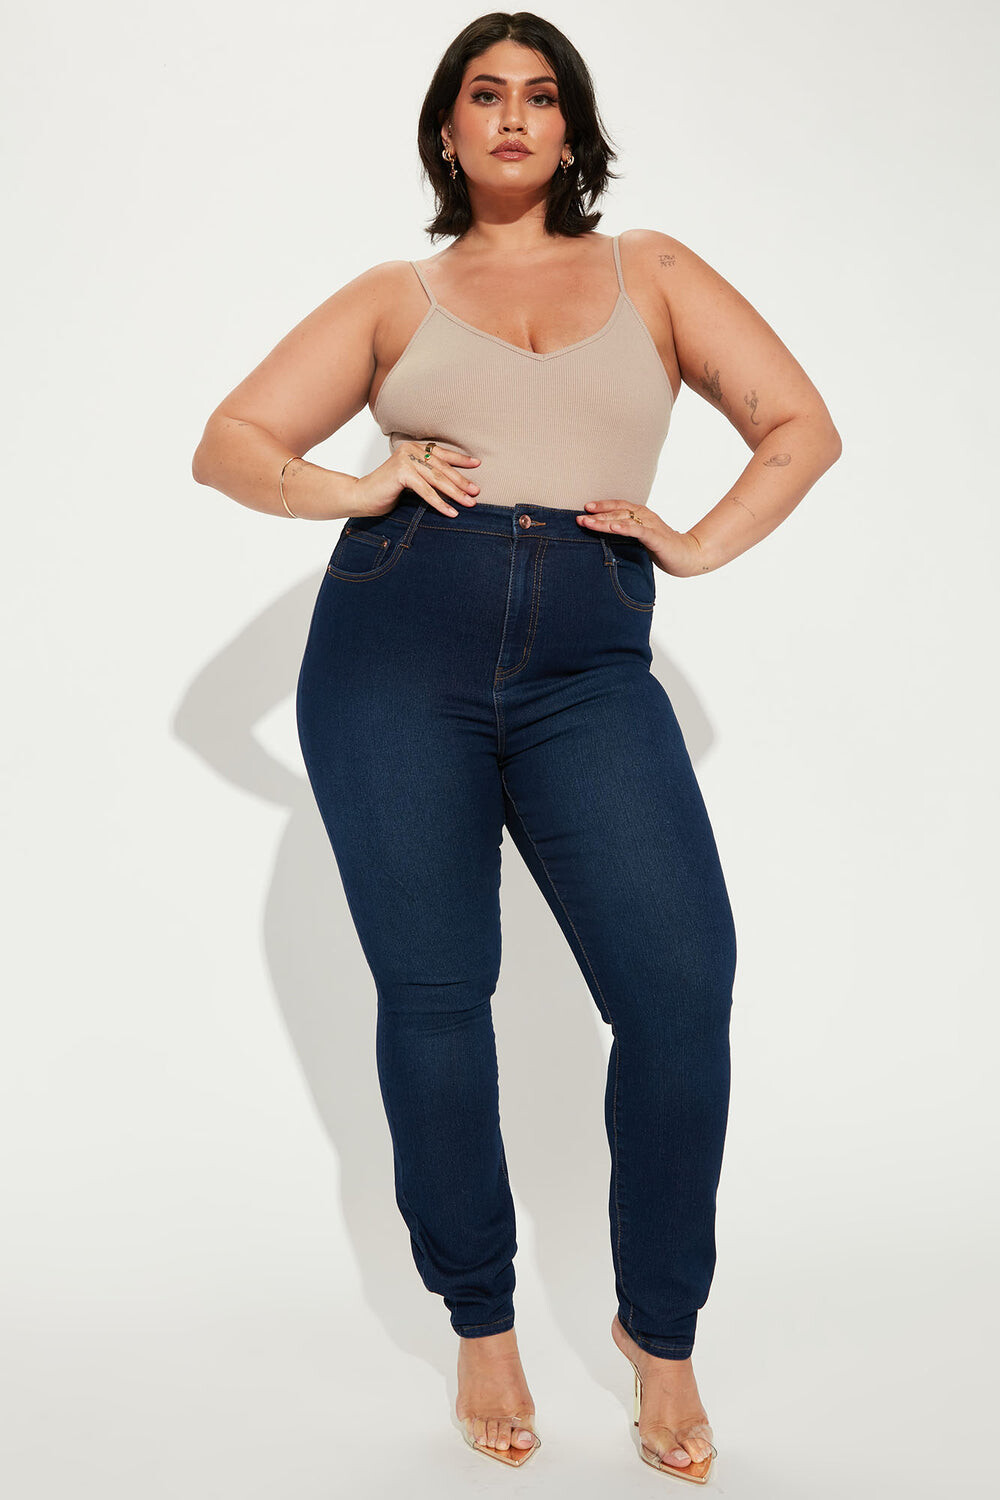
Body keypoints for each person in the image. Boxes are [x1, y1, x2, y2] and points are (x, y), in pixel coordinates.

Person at [191, 11, 841, 1482]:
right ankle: (478, 1319)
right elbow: (229, 442)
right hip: (390, 654)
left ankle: (658, 1331)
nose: (511, 117)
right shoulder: (394, 295)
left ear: (571, 130)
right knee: (437, 998)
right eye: (484, 95)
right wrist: (358, 485)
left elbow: (799, 426)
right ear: (447, 129)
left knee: (679, 993)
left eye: (540, 97)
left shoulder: (653, 271)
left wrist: (693, 542)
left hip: (590, 667)